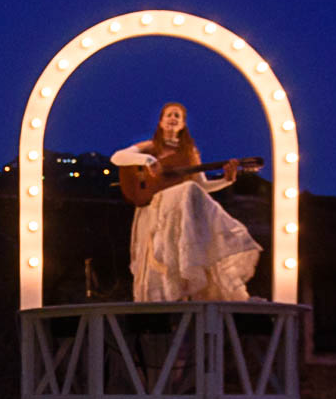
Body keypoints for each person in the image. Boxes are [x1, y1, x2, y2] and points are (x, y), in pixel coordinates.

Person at [111, 102, 261, 302]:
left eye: (178, 116)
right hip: (156, 205)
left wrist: (226, 180)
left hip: (179, 210)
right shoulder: (151, 146)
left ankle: (219, 240)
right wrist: (147, 161)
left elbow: (202, 187)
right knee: (188, 190)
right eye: (169, 115)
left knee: (191, 190)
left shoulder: (191, 152)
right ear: (161, 122)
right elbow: (117, 157)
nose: (173, 118)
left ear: (182, 125)